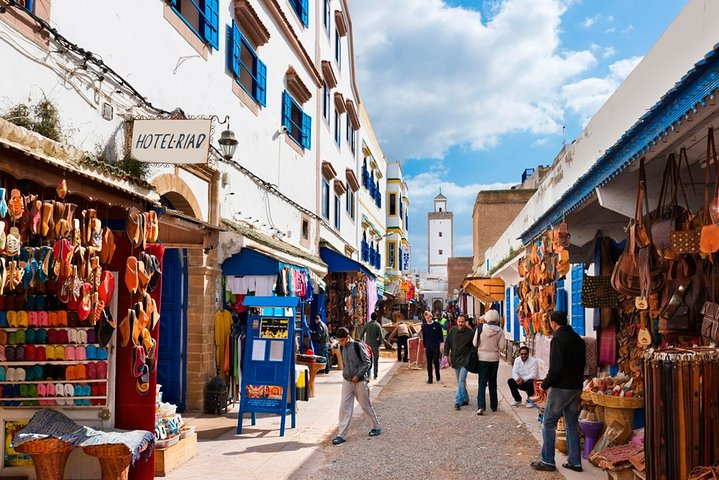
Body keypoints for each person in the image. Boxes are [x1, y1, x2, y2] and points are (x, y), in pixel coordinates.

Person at [531, 311, 586, 473]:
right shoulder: (577, 338)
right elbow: (582, 363)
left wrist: (545, 384)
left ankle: (547, 460)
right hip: (576, 386)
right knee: (571, 424)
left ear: (554, 323)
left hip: (561, 387)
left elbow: (556, 367)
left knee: (548, 422)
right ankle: (575, 462)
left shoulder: (558, 339)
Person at [332, 328, 381, 445]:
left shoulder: (357, 346)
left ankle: (376, 426)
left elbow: (367, 362)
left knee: (364, 405)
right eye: (339, 340)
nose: (341, 342)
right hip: (347, 381)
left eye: (342, 340)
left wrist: (358, 375)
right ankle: (341, 435)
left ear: (348, 337)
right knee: (344, 406)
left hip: (359, 381)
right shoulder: (341, 346)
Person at [472, 309, 506, 415]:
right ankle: (494, 406)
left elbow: (474, 343)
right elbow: (502, 347)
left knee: (482, 383)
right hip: (494, 359)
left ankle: (481, 406)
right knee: (492, 382)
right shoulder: (500, 331)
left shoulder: (480, 328)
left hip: (482, 358)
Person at [443, 315, 474, 410]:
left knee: (461, 380)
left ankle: (458, 401)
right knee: (460, 381)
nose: (460, 323)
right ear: (457, 321)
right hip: (455, 359)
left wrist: (471, 357)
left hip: (465, 360)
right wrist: (445, 354)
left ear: (465, 322)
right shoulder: (452, 331)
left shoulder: (470, 333)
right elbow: (447, 343)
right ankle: (465, 398)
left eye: (462, 322)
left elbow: (474, 346)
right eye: (459, 321)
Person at [360, 312, 384, 379]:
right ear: (376, 317)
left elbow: (361, 333)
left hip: (367, 345)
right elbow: (381, 337)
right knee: (375, 361)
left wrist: (361, 342)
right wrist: (379, 343)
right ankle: (375, 375)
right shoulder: (378, 325)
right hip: (375, 345)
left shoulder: (367, 324)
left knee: (368, 360)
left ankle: (368, 375)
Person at [422, 310, 443, 384]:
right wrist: (424, 347)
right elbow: (424, 337)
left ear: (431, 316)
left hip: (436, 346)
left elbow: (440, 335)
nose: (428, 318)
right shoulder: (424, 326)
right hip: (428, 346)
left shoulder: (437, 325)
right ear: (425, 318)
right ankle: (430, 378)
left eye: (429, 317)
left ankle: (437, 374)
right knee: (429, 363)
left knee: (436, 361)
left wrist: (442, 344)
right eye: (426, 317)